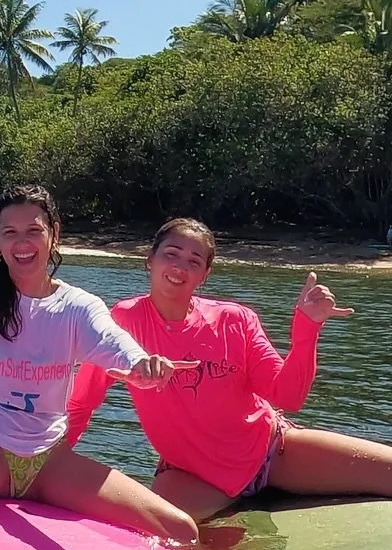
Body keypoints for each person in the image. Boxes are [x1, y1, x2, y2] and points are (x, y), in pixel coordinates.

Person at [0, 185, 200, 543]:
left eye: (34, 231)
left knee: (180, 527)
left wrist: (142, 364)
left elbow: (113, 341)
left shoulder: (77, 306)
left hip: (48, 461)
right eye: (11, 233)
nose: (23, 243)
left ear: (53, 235)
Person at [66, 217, 392, 520]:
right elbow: (81, 402)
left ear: (204, 274)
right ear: (150, 260)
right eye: (172, 253)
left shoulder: (234, 320)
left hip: (272, 454)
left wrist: (307, 328)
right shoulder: (124, 321)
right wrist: (49, 465)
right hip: (190, 478)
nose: (180, 267)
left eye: (194, 261)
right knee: (158, 538)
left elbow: (288, 396)